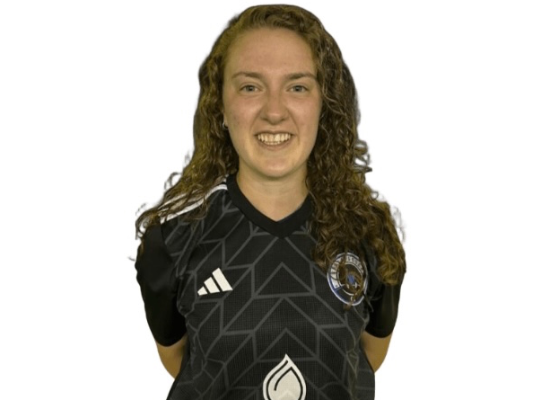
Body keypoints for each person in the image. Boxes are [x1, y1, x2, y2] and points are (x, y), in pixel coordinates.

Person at [134, 4, 406, 400]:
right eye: (250, 87)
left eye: (297, 87)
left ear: (324, 104)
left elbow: (364, 358)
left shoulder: (370, 234)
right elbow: (181, 361)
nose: (274, 112)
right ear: (220, 106)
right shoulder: (173, 241)